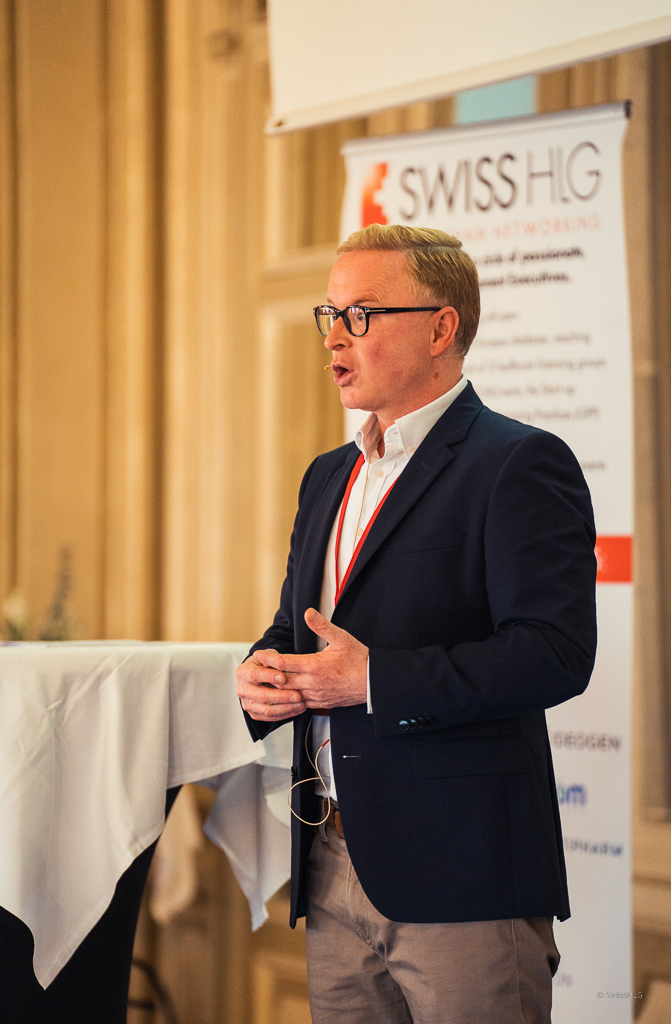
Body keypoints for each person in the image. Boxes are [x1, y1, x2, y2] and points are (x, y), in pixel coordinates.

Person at [236, 224, 597, 1024]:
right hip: (330, 857)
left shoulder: (517, 463)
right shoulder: (327, 475)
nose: (334, 336)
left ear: (441, 327)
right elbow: (295, 628)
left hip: (461, 871)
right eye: (328, 313)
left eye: (360, 314)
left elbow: (554, 653)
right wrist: (264, 671)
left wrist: (373, 679)